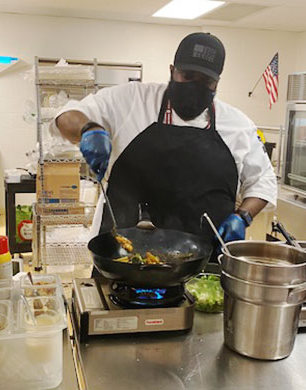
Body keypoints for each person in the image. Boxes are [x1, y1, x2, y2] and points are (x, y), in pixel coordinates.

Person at [51, 32, 277, 252]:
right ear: (172, 70)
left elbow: (263, 180)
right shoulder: (132, 100)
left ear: (217, 84)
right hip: (122, 252)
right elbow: (67, 114)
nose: (194, 86)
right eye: (187, 76)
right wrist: (88, 129)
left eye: (205, 81)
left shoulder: (238, 125)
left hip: (203, 259)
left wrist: (243, 216)